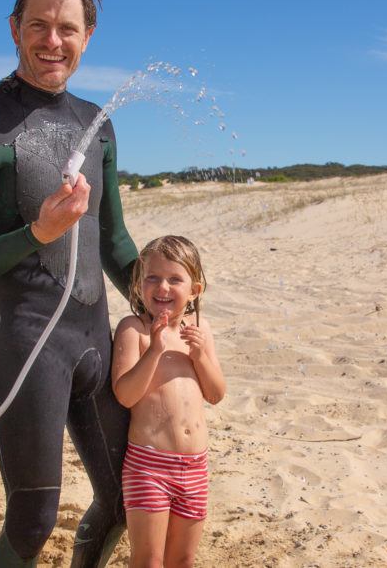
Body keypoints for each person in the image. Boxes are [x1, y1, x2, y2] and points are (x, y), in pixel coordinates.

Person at [0, 0, 139, 567]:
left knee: (126, 499)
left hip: (95, 342)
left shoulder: (96, 123)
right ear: (14, 30)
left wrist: (155, 294)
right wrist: (38, 233)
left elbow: (114, 238)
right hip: (26, 347)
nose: (53, 41)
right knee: (31, 521)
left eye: (67, 29)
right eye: (39, 26)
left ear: (88, 36)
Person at [111, 235, 226, 568]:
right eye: (152, 278)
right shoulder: (135, 330)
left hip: (195, 467)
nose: (162, 287)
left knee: (183, 560)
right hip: (149, 466)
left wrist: (202, 355)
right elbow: (125, 394)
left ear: (195, 290)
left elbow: (216, 394)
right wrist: (156, 350)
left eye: (175, 279)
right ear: (138, 286)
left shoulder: (200, 329)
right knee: (148, 560)